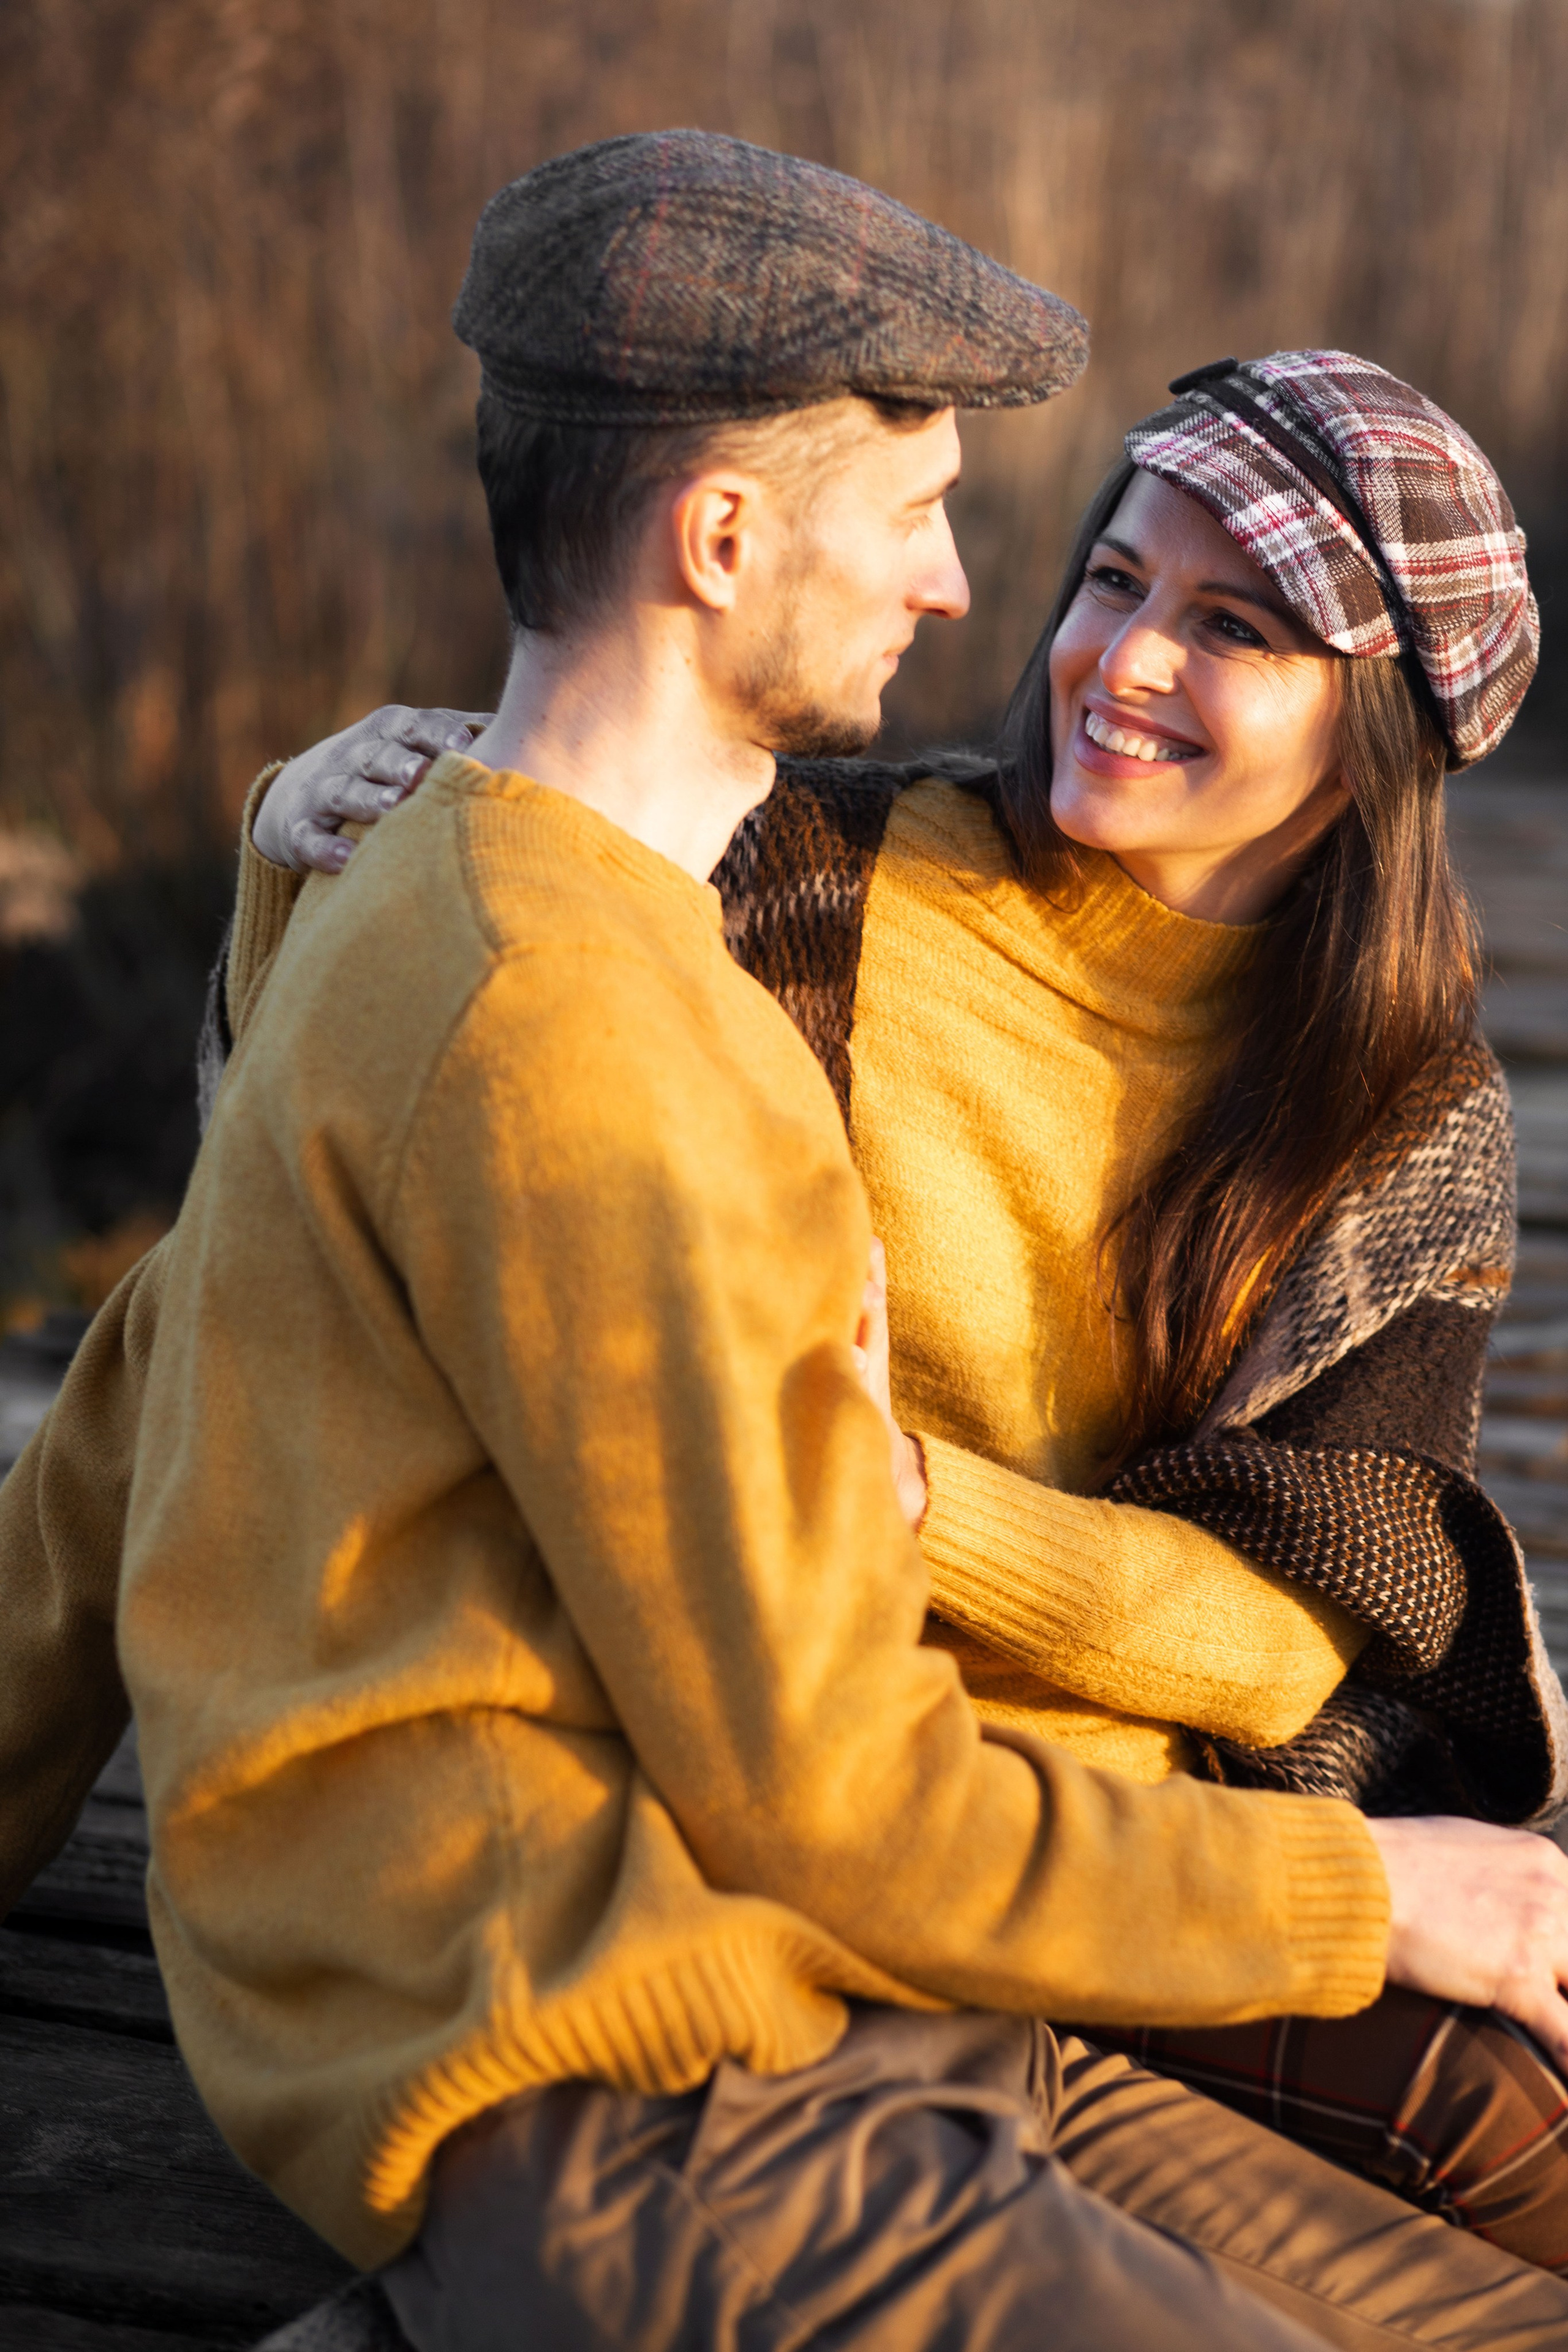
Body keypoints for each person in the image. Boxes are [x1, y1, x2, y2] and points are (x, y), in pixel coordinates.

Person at [3, 137, 1568, 2343]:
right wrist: (299, 888)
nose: (1044, 624)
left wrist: (913, 1504)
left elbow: (1311, 1629)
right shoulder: (735, 911)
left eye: (1229, 629)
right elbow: (281, 1287)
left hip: (1016, 1879)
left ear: (1371, 742)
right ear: (723, 539)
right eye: (1096, 574)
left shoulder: (1394, 1105)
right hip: (765, 1925)